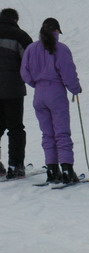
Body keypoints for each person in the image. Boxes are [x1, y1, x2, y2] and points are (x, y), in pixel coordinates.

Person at [20, 17, 81, 184]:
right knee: (62, 132)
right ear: (56, 31)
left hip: (39, 94)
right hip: (56, 93)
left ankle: (52, 170)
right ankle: (67, 170)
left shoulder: (31, 49)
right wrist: (75, 89)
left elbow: (24, 72)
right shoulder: (61, 49)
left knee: (47, 134)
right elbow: (68, 72)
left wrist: (37, 84)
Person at [0, 8, 32, 179]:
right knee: (15, 128)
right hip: (13, 90)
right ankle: (16, 165)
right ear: (15, 19)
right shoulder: (20, 36)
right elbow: (30, 62)